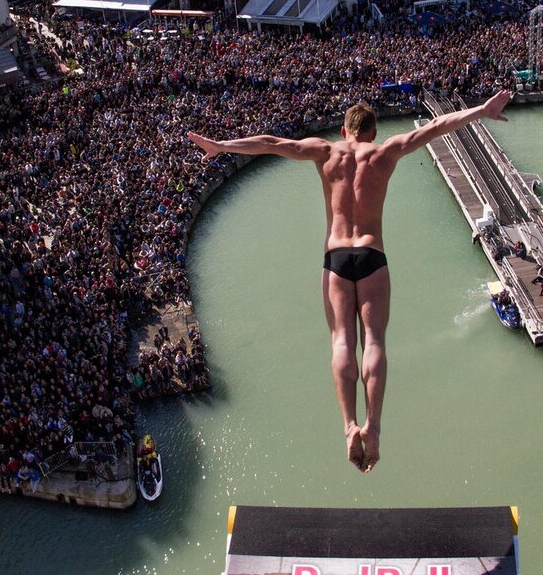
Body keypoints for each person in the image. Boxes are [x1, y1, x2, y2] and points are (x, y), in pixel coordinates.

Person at [188, 89, 513, 472]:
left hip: (336, 256)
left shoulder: (326, 152)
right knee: (373, 340)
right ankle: (373, 426)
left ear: (344, 131)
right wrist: (481, 110)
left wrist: (221, 145)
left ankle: (348, 427)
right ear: (373, 133)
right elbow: (438, 126)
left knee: (342, 340)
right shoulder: (385, 152)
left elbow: (273, 143)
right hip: (373, 256)